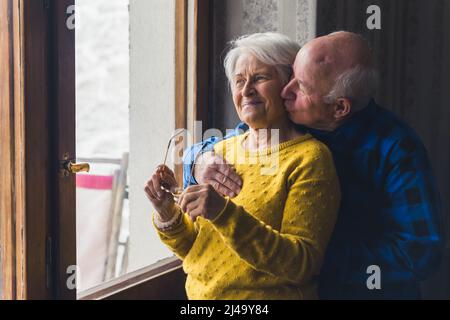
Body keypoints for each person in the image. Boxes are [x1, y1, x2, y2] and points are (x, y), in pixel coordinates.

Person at [184, 31, 442, 299]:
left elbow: (421, 253)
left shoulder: (396, 147)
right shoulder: (289, 121)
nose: (285, 91)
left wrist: (315, 257)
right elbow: (227, 142)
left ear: (339, 108)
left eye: (300, 86)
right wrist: (197, 162)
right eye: (290, 76)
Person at [144, 32, 341, 300]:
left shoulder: (310, 159)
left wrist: (224, 213)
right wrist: (165, 211)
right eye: (239, 81)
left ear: (288, 86)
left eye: (259, 78)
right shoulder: (220, 153)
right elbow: (195, 249)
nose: (246, 90)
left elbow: (301, 265)